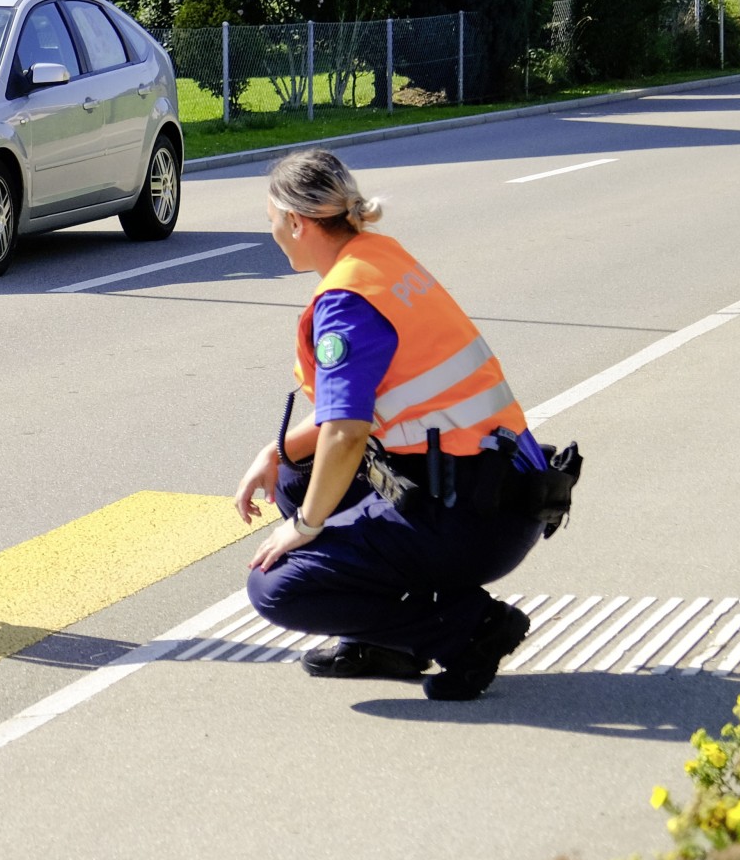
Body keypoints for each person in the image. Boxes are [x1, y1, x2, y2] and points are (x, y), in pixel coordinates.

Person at [234, 150, 549, 701]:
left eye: (272, 223)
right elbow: (348, 411)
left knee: (275, 586)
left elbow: (348, 433)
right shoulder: (380, 258)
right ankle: (388, 644)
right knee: (292, 473)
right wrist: (275, 451)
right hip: (501, 491)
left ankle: (468, 629)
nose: (274, 235)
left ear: (297, 222)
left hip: (471, 517)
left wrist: (303, 528)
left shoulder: (346, 303)